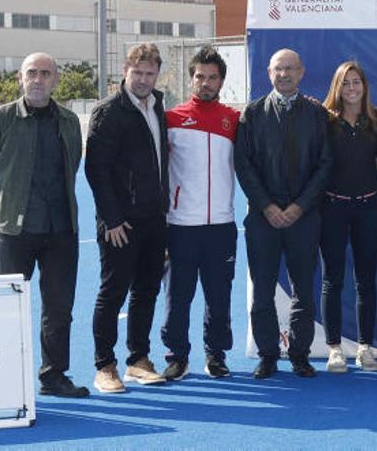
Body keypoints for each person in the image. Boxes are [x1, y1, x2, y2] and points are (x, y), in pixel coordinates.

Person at [0, 53, 87, 397]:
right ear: (20, 77)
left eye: (46, 73)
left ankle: (54, 375)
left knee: (59, 308)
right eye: (32, 72)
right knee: (5, 310)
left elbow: (72, 164)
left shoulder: (69, 121)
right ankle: (5, 381)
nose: (38, 79)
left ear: (56, 79)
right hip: (14, 231)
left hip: (61, 230)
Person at [235, 48, 332, 379]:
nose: (285, 74)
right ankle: (267, 355)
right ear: (268, 72)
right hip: (263, 218)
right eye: (279, 69)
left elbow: (325, 165)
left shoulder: (317, 115)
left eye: (291, 68)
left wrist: (298, 206)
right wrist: (268, 206)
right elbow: (244, 166)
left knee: (304, 289)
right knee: (261, 290)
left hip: (304, 218)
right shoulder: (252, 114)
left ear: (302, 72)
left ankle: (300, 355)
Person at [86, 43, 169, 393]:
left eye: (150, 74)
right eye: (138, 73)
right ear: (125, 71)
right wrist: (112, 218)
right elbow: (96, 169)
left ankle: (138, 359)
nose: (144, 80)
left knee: (147, 290)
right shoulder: (109, 111)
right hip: (121, 224)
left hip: (155, 219)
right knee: (113, 292)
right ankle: (104, 366)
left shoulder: (158, 106)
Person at [160, 46, 240, 381]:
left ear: (221, 81)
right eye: (199, 76)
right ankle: (177, 355)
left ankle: (216, 354)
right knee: (178, 296)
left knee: (219, 296)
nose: (205, 82)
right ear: (191, 78)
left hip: (221, 225)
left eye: (212, 77)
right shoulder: (172, 119)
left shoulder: (233, 120)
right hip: (181, 225)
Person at [319, 61, 377, 373]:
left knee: (366, 281)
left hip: (368, 209)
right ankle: (334, 349)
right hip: (333, 209)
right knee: (332, 279)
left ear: (364, 86)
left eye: (356, 82)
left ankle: (364, 347)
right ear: (337, 87)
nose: (352, 88)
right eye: (345, 83)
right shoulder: (325, 121)